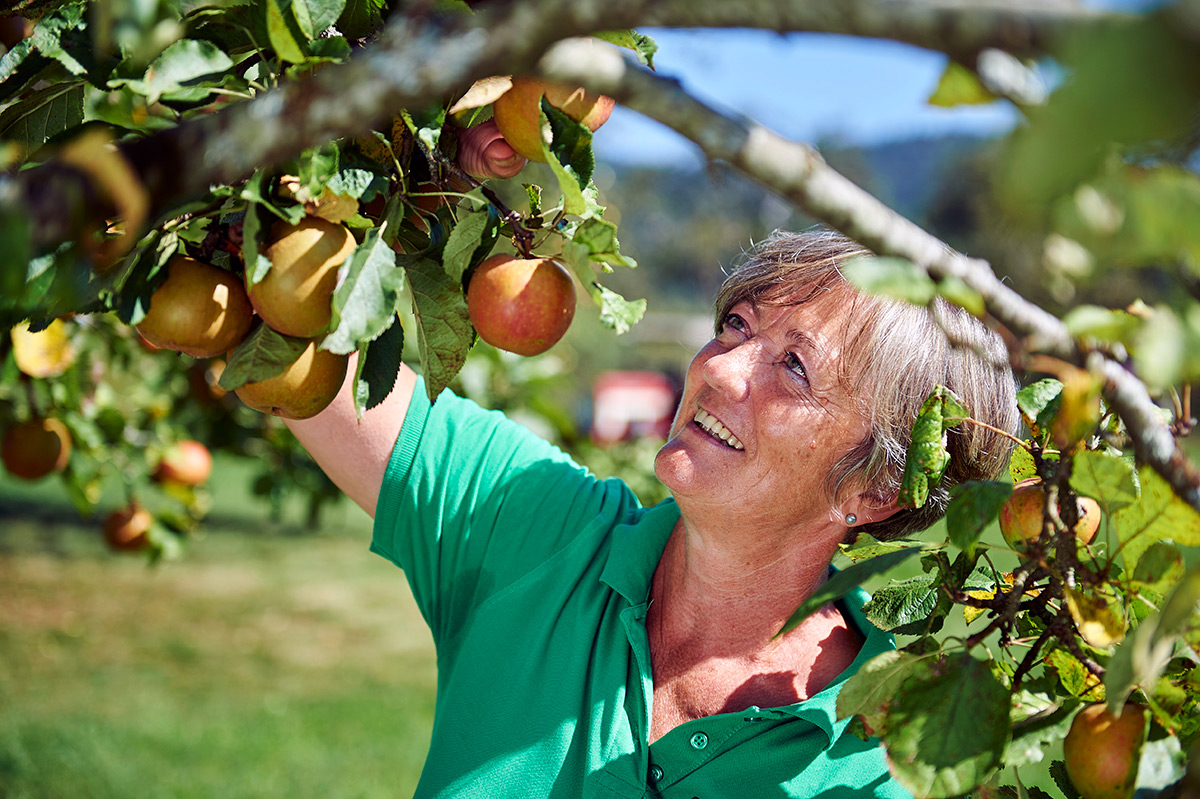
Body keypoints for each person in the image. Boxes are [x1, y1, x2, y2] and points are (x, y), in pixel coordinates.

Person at [286, 228, 1020, 798]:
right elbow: (291, 330)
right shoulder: (539, 528)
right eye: (737, 323)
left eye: (795, 367)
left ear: (874, 491)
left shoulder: (876, 757)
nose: (718, 367)